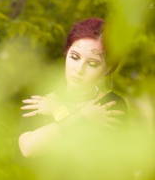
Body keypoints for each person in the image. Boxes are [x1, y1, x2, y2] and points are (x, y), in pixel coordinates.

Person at [19, 17, 127, 157]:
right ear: (66, 53)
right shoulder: (42, 99)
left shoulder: (110, 104)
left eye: (92, 64)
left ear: (108, 69)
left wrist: (57, 111)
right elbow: (27, 148)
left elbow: (90, 157)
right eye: (75, 57)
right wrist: (83, 117)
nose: (79, 69)